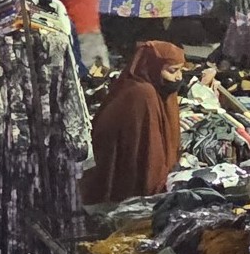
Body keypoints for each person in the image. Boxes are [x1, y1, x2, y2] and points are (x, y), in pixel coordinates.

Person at [79, 41, 186, 204]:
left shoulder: (161, 90)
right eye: (173, 71)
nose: (178, 77)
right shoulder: (142, 93)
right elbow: (148, 151)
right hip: (126, 181)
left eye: (181, 71)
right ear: (152, 68)